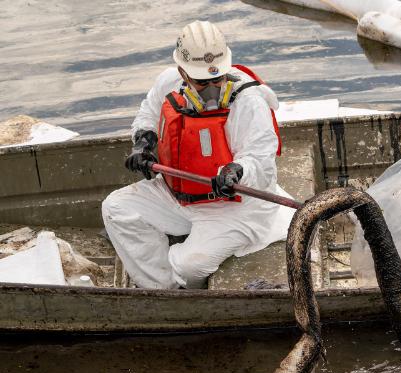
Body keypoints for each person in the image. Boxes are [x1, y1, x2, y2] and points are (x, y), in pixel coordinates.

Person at [102, 21, 294, 289]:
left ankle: (184, 279)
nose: (213, 87)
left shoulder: (249, 102)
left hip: (235, 208)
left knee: (189, 265)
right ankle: (163, 289)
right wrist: (142, 141)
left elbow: (261, 161)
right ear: (183, 72)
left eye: (218, 78)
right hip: (180, 197)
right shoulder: (169, 82)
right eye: (203, 82)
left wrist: (238, 170)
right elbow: (148, 112)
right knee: (116, 208)